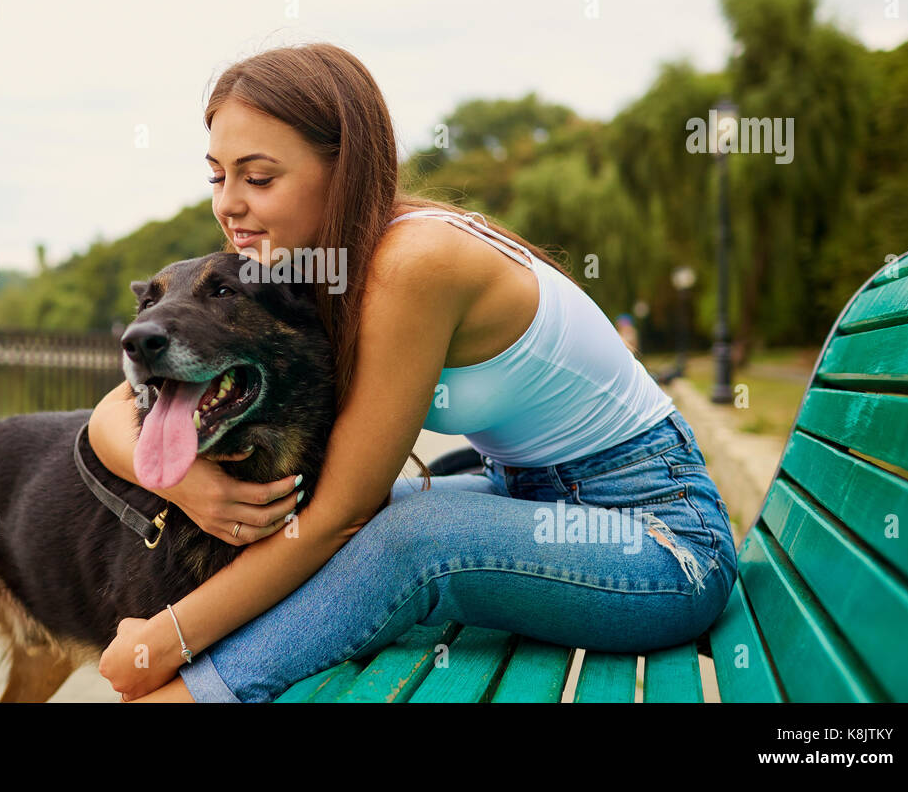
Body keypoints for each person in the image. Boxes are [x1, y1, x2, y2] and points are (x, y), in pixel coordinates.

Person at [88, 43, 738, 702]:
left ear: (343, 171)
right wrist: (192, 488)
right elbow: (110, 414)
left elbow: (342, 518)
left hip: (663, 547)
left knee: (406, 538)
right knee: (310, 510)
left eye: (258, 178)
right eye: (216, 177)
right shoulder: (311, 270)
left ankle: (196, 693)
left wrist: (165, 641)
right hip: (532, 501)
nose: (228, 205)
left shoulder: (412, 263)